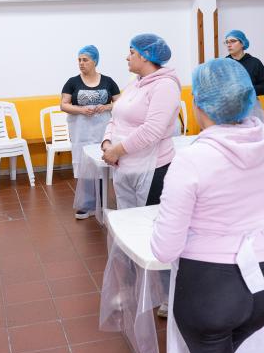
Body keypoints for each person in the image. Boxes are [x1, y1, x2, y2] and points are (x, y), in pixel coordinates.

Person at [151, 57, 264, 353]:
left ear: (198, 105)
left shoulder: (193, 159)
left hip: (209, 290)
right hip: (260, 284)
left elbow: (165, 248)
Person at [101, 34, 181, 208]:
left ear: (145, 55)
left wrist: (117, 151)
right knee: (128, 222)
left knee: (146, 225)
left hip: (152, 169)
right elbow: (116, 117)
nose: (127, 57)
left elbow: (152, 130)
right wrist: (107, 143)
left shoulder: (165, 85)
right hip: (125, 164)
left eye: (131, 52)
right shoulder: (134, 84)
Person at [60, 45, 120, 219]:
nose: (81, 63)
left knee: (103, 163)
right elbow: (64, 104)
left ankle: (105, 203)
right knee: (84, 165)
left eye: (85, 60)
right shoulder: (72, 82)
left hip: (104, 130)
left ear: (95, 61)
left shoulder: (108, 81)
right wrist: (81, 110)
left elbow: (120, 103)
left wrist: (107, 106)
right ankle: (87, 205)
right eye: (79, 60)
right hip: (81, 131)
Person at [224, 30, 264, 96]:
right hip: (228, 104)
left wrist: (248, 90)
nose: (229, 45)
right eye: (227, 42)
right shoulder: (222, 64)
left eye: (233, 41)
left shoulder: (255, 63)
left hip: (251, 103)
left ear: (242, 43)